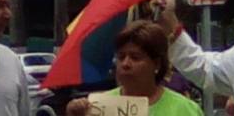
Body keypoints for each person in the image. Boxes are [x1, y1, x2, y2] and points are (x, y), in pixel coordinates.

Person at [66, 20, 203, 116]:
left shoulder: (186, 110)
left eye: (135, 57)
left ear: (156, 64)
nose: (126, 64)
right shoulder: (97, 107)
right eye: (121, 57)